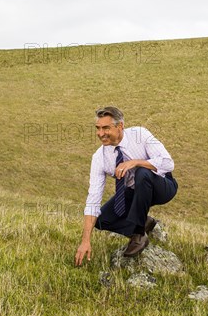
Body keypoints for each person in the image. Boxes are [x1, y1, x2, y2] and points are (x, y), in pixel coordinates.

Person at [74, 106, 178, 266]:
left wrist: (135, 162)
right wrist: (85, 240)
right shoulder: (99, 158)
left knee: (142, 173)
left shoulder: (140, 135)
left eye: (106, 128)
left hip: (161, 186)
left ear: (120, 126)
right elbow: (93, 199)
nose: (100, 134)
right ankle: (144, 222)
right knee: (101, 221)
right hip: (133, 191)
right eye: (98, 128)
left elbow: (168, 163)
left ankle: (138, 234)